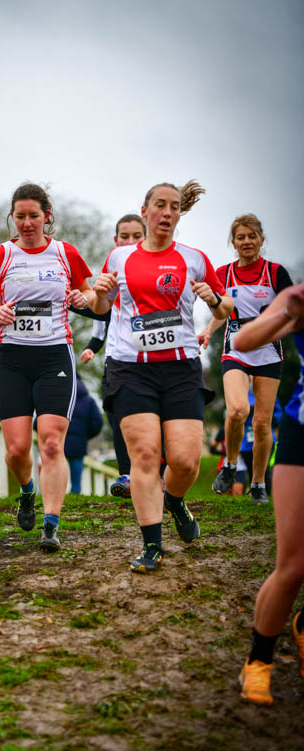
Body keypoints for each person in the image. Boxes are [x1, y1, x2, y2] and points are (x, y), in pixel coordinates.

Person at [87, 180, 233, 573]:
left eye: (174, 207)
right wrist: (99, 292)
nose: (167, 213)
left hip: (180, 368)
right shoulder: (119, 258)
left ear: (179, 213)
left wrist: (214, 300)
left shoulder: (194, 259)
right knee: (146, 456)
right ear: (146, 210)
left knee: (184, 461)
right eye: (160, 205)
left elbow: (225, 309)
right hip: (130, 368)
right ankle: (152, 545)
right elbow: (101, 307)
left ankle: (174, 500)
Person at [0, 182, 92, 552]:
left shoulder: (65, 253)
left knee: (51, 442)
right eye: (20, 216)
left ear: (46, 217)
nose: (26, 222)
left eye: (33, 216)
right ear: (12, 217)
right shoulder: (0, 255)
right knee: (17, 449)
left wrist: (83, 297)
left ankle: (51, 523)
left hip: (54, 355)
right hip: (12, 359)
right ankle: (26, 491)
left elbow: (91, 295)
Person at [234, 283, 304, 706]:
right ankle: (258, 661)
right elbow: (243, 341)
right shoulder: (299, 297)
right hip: (302, 436)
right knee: (293, 566)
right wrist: (288, 314)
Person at [198, 214, 293, 504]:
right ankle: (229, 465)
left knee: (262, 423)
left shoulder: (275, 273)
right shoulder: (224, 274)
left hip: (267, 351)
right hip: (235, 349)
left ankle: (259, 484)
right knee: (237, 410)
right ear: (233, 242)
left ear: (261, 239)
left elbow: (291, 310)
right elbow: (221, 310)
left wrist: (278, 329)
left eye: (252, 236)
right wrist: (207, 331)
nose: (247, 241)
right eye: (241, 237)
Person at [79, 214, 147, 498]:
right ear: (115, 240)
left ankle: (159, 476)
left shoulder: (156, 271)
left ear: (146, 237)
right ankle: (126, 475)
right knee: (118, 416)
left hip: (154, 360)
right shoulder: (109, 275)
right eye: (124, 237)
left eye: (137, 236)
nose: (130, 242)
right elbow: (101, 318)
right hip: (118, 360)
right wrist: (90, 348)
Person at [64, 375, 103, 493]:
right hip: (78, 445)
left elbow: (37, 424)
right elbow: (98, 422)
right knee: (76, 482)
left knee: (55, 476)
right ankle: (75, 497)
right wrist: (85, 436)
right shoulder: (88, 401)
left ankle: (55, 500)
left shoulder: (57, 397)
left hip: (58, 444)